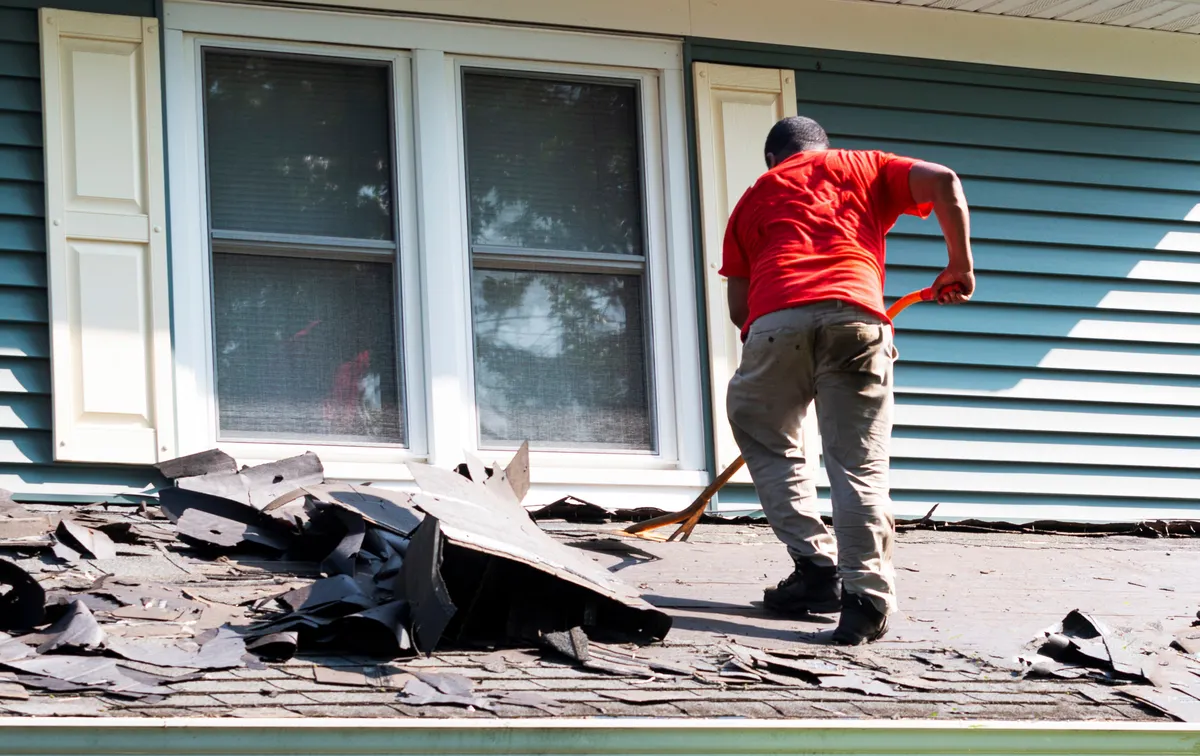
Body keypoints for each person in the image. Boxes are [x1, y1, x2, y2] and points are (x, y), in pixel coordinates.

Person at [720, 116, 974, 645]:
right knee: (857, 464)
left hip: (774, 325)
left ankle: (815, 569)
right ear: (822, 147)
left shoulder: (753, 198)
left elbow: (740, 308)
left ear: (774, 158)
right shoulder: (865, 165)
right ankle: (864, 601)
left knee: (769, 438)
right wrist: (958, 265)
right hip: (856, 319)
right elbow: (945, 180)